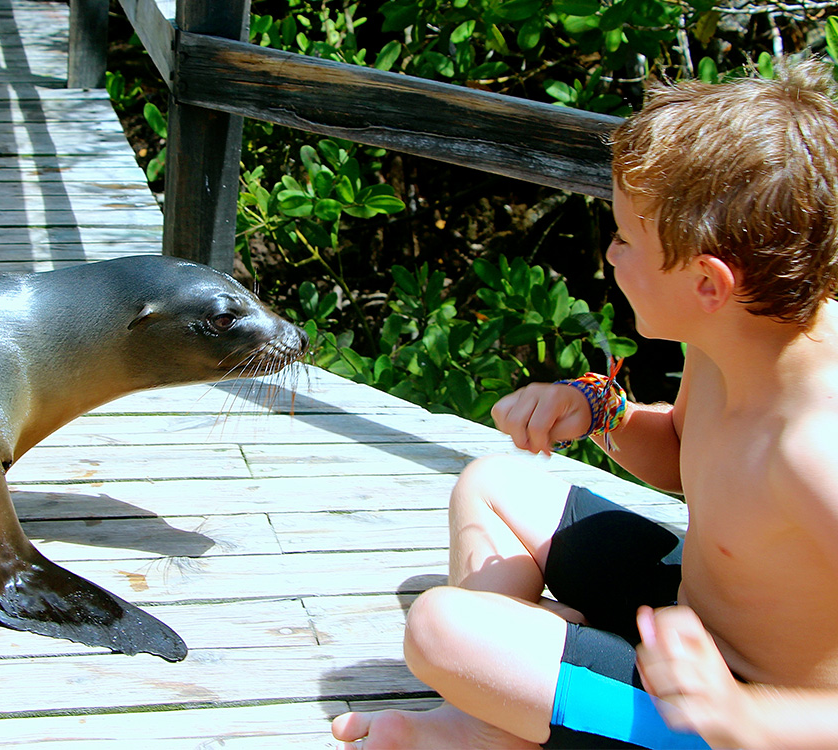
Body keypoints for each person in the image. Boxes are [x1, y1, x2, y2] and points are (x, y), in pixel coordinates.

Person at [332, 56, 838, 749]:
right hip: (687, 621)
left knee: (439, 628)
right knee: (492, 483)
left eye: (627, 238)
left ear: (708, 283)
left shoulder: (816, 451)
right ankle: (500, 710)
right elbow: (686, 460)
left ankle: (501, 716)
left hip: (730, 718)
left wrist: (745, 718)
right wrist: (603, 410)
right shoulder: (737, 335)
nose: (610, 253)